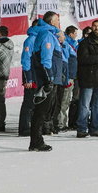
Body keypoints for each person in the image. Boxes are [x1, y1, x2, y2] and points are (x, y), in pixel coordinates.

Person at [25, 11, 60, 152]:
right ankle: (36, 141)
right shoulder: (46, 35)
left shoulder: (49, 34)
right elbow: (46, 60)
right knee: (40, 111)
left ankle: (36, 140)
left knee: (42, 111)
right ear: (51, 22)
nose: (58, 22)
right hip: (46, 79)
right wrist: (48, 79)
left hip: (47, 77)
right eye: (57, 20)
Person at [57, 26, 78, 132]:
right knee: (63, 101)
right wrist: (66, 77)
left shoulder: (70, 44)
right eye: (75, 33)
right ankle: (60, 123)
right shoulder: (65, 45)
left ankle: (62, 122)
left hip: (71, 76)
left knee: (66, 100)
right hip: (67, 76)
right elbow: (65, 62)